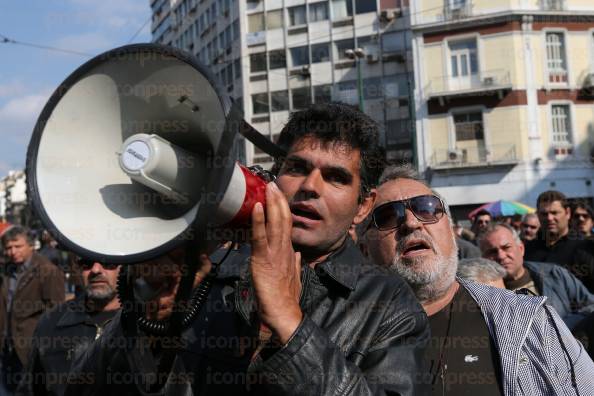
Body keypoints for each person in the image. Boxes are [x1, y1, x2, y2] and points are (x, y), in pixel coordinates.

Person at [65, 103, 430, 395]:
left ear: (363, 205)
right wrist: (144, 320)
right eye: (297, 167)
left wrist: (290, 324)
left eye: (335, 177)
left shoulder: (388, 306)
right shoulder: (214, 271)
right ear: (274, 177)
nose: (310, 187)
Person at [363, 164, 594, 395]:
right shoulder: (342, 335)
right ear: (364, 248)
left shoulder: (531, 320)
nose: (411, 223)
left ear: (452, 232)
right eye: (388, 216)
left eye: (426, 208)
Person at [16, 257, 120, 396]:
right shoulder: (52, 321)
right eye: (87, 263)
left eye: (108, 262)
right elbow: (30, 388)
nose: (95, 270)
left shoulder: (144, 320)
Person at [479, 223, 594, 329]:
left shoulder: (555, 274)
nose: (501, 256)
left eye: (506, 247)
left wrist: (566, 328)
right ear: (483, 258)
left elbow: (590, 306)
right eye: (492, 252)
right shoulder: (482, 295)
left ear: (521, 249)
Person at [0, 227, 65, 393]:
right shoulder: (7, 269)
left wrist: (44, 348)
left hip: (30, 350)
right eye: (8, 247)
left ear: (30, 246)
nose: (13, 251)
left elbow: (56, 312)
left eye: (18, 246)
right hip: (7, 349)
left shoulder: (47, 270)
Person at [524, 190, 594, 292]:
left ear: (567, 213)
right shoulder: (528, 249)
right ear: (538, 215)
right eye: (544, 214)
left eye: (554, 213)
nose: (549, 218)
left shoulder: (585, 248)